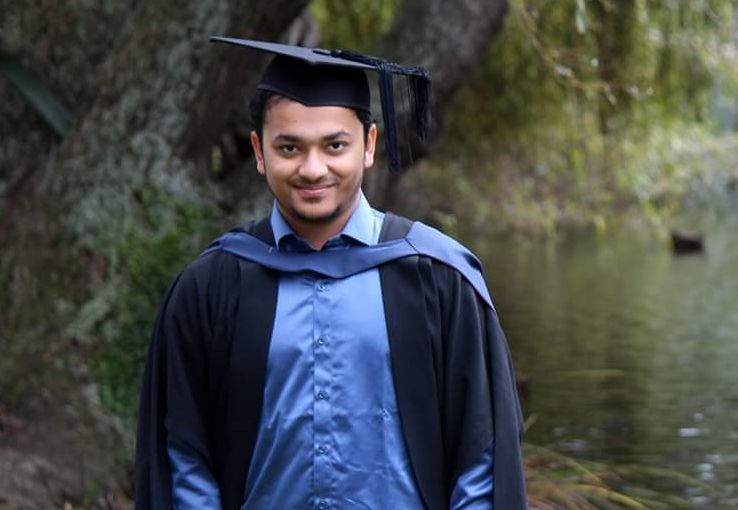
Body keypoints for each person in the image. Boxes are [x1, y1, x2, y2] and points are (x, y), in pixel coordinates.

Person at [135, 37, 527, 510]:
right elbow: (184, 457)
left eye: (334, 145)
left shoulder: (438, 277)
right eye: (290, 148)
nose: (312, 168)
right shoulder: (210, 287)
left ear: (369, 145)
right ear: (259, 151)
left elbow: (480, 456)